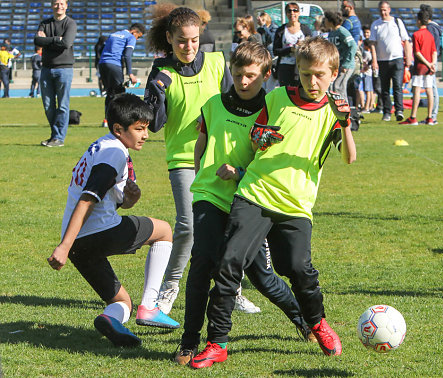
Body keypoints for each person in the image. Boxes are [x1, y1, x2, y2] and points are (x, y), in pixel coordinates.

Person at [190, 37, 356, 369]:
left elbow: (349, 158)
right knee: (229, 264)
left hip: (296, 204)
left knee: (297, 268)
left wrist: (345, 122)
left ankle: (318, 323)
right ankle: (217, 342)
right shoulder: (278, 97)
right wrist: (261, 139)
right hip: (254, 193)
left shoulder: (336, 110)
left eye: (320, 75)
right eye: (306, 74)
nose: (312, 81)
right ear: (297, 71)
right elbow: (257, 137)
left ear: (334, 73)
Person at [174, 41, 316, 366]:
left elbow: (272, 162)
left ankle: (302, 321)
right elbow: (202, 141)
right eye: (238, 74)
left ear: (265, 75)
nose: (243, 81)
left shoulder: (273, 112)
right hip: (210, 198)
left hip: (251, 202)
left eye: (251, 75)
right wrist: (201, 178)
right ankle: (189, 342)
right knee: (200, 268)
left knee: (263, 278)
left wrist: (238, 172)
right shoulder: (213, 104)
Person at [144, 4, 259, 317]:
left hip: (220, 159)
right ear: (169, 38)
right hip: (182, 160)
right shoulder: (161, 71)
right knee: (188, 227)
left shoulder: (217, 62)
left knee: (228, 227)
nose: (188, 47)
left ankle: (231, 288)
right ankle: (167, 293)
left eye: (194, 40)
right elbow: (153, 125)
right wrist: (157, 93)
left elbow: (232, 104)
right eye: (181, 41)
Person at [46, 93, 179, 348]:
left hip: (78, 245)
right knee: (163, 231)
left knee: (121, 303)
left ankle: (110, 319)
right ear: (119, 129)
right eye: (139, 129)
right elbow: (88, 197)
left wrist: (130, 198)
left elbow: (113, 198)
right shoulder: (114, 153)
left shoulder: (102, 145)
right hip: (96, 233)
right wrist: (62, 246)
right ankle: (150, 308)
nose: (146, 135)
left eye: (146, 128)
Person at [34, 0, 77, 148]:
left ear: (66, 5)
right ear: (52, 5)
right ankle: (54, 136)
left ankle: (59, 138)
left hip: (64, 69)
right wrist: (55, 39)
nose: (59, 6)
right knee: (48, 105)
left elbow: (66, 43)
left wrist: (47, 41)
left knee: (63, 105)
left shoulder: (70, 23)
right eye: (56, 3)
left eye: (61, 3)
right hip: (46, 69)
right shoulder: (45, 23)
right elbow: (37, 40)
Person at [370, 1, 412, 122]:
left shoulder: (397, 23)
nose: (383, 12)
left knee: (398, 86)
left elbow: (406, 41)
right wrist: (374, 60)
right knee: (384, 88)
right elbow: (373, 44)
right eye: (381, 10)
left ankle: (399, 110)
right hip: (382, 60)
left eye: (385, 10)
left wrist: (408, 57)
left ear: (389, 10)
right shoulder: (376, 25)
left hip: (397, 59)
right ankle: (387, 111)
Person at [99, 23, 146, 121]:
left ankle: (106, 119)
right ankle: (118, 119)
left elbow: (100, 49)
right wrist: (130, 74)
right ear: (134, 32)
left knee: (110, 93)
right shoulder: (130, 37)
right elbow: (127, 55)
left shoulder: (113, 34)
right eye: (138, 36)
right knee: (120, 93)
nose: (137, 39)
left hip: (102, 64)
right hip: (114, 64)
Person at [399, 9, 436, 126]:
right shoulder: (430, 35)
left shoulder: (416, 34)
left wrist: (426, 63)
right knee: (429, 90)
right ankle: (430, 117)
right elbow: (434, 51)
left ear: (419, 21)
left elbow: (417, 53)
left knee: (416, 90)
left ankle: (413, 117)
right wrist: (432, 64)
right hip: (429, 67)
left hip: (420, 66)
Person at [273, 2, 312, 87]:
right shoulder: (281, 30)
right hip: (284, 66)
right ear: (286, 13)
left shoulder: (305, 29)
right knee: (285, 91)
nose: (292, 13)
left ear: (299, 13)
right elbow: (275, 51)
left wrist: (302, 47)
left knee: (299, 91)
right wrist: (290, 49)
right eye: (289, 11)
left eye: (295, 10)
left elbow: (311, 48)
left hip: (301, 66)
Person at [324, 11, 357, 100]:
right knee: (333, 86)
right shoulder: (331, 33)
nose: (324, 21)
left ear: (330, 20)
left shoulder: (342, 31)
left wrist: (346, 63)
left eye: (326, 19)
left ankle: (344, 111)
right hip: (337, 64)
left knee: (339, 86)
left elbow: (353, 46)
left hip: (346, 65)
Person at [419, 4, 442, 125]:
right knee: (431, 87)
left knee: (432, 88)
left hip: (430, 61)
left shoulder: (431, 28)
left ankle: (433, 116)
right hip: (432, 60)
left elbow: (431, 47)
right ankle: (432, 115)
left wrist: (430, 63)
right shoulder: (436, 27)